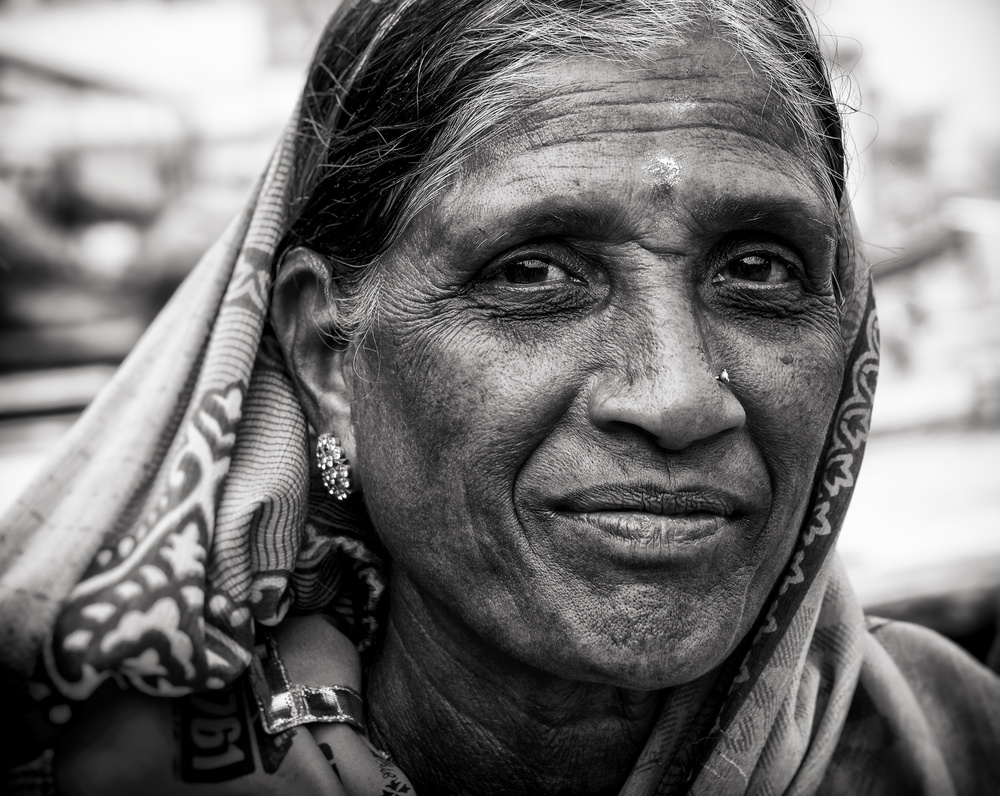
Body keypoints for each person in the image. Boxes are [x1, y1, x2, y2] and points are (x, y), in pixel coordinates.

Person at [2, 0, 999, 793]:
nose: (680, 397)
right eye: (532, 273)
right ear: (326, 351)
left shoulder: (955, 745)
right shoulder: (119, 772)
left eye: (757, 268)